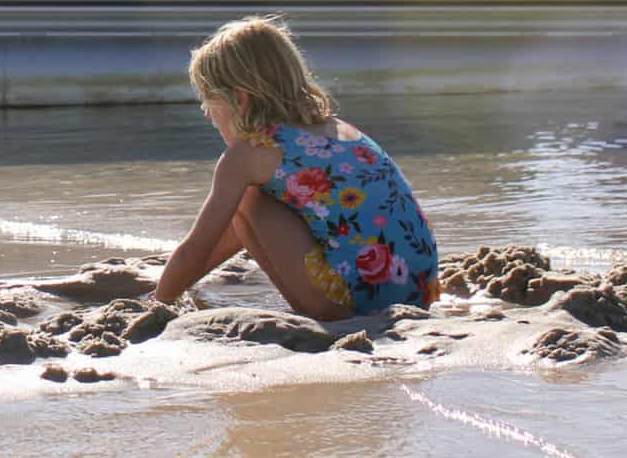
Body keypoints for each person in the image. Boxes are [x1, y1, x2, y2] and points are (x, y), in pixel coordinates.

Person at [153, 16, 440, 319]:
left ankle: (165, 296)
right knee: (252, 204)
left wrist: (157, 302)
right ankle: (177, 287)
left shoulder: (247, 155)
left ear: (240, 98)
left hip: (358, 305)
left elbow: (195, 247)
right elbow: (228, 237)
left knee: (251, 202)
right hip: (420, 288)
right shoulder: (335, 128)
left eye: (208, 102)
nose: (208, 115)